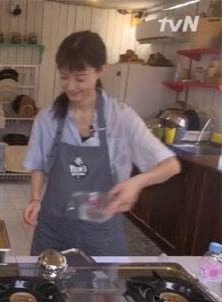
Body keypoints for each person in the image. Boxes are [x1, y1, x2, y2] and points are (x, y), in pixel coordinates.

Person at [23, 31, 181, 256]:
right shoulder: (48, 117)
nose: (70, 86)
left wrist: (137, 183)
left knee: (104, 291)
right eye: (64, 77)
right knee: (47, 288)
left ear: (100, 70)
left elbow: (171, 165)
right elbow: (38, 165)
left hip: (101, 233)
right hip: (52, 230)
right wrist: (36, 198)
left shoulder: (121, 117)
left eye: (79, 77)